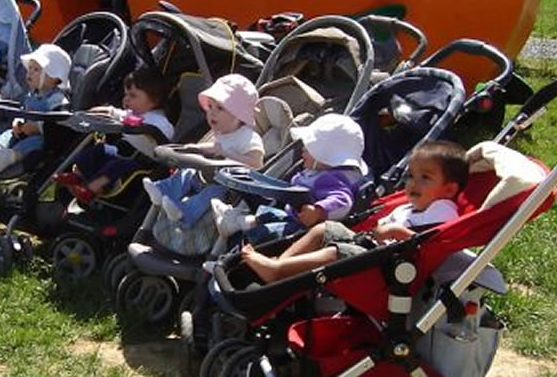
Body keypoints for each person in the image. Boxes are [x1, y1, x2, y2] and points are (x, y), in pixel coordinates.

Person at [239, 140, 468, 283]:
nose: (413, 183)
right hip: (372, 251)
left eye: (425, 178)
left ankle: (278, 269)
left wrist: (397, 232)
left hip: (389, 269)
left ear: (448, 189)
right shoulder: (408, 207)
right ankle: (280, 265)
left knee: (336, 252)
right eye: (410, 176)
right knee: (324, 229)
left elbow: (434, 247)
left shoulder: (444, 210)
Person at [218, 113, 368, 243]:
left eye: (308, 148)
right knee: (268, 213)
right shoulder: (318, 170)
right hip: (293, 215)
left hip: (301, 229)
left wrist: (318, 211)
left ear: (325, 157)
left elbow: (343, 201)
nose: (302, 149)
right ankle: (236, 222)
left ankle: (238, 236)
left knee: (267, 232)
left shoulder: (331, 180)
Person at [142, 74, 265, 227]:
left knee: (212, 193)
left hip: (227, 189)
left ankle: (184, 212)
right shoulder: (222, 133)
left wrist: (228, 155)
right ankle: (163, 190)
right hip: (206, 177)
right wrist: (195, 148)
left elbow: (257, 164)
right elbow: (213, 147)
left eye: (220, 108)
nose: (211, 113)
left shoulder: (248, 137)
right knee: (187, 171)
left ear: (239, 115)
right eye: (210, 107)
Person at [53, 67, 174, 203]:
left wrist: (143, 129)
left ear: (154, 100)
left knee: (115, 165)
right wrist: (90, 113)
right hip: (122, 151)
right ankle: (77, 176)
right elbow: (112, 112)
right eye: (126, 95)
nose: (126, 100)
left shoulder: (159, 120)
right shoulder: (133, 113)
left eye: (133, 96)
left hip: (142, 161)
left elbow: (166, 139)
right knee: (94, 150)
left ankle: (92, 189)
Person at [0, 44, 73, 173]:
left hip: (40, 137)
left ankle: (7, 158)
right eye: (29, 68)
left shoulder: (56, 98)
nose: (29, 73)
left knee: (34, 143)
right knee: (7, 134)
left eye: (36, 69)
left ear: (54, 77)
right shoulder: (32, 94)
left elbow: (59, 122)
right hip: (22, 131)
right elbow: (24, 110)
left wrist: (37, 127)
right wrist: (17, 122)